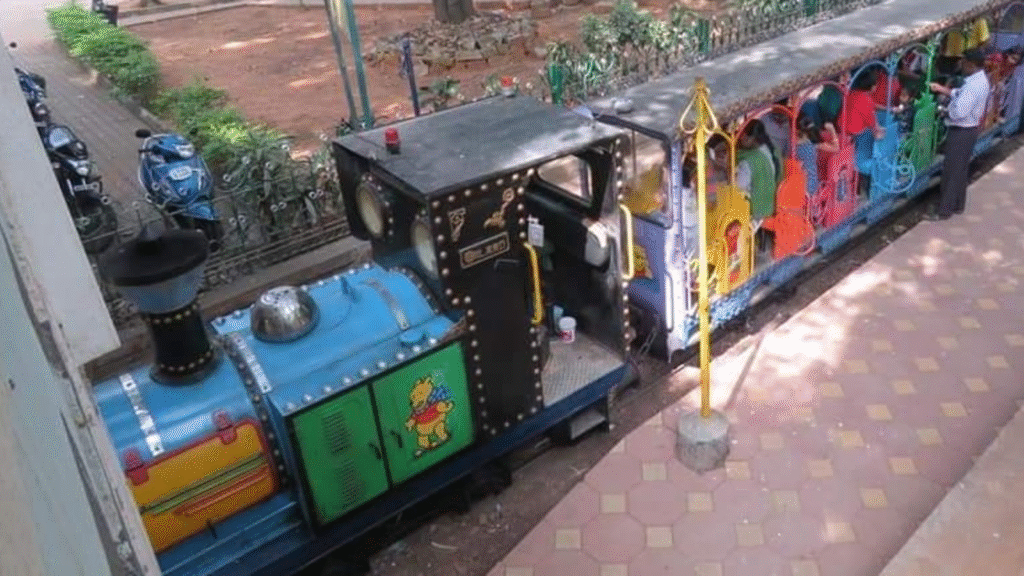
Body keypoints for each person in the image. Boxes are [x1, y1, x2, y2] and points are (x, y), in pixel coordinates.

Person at [928, 48, 991, 220]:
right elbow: (961, 94)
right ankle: (958, 205)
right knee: (961, 170)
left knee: (951, 172)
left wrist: (944, 110)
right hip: (970, 131)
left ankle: (944, 211)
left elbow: (959, 112)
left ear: (970, 65)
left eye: (963, 62)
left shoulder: (972, 87)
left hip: (961, 131)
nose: (960, 65)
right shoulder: (980, 80)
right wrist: (944, 89)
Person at [843, 69, 886, 194]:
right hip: (856, 137)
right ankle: (863, 186)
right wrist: (880, 132)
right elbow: (875, 127)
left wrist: (889, 109)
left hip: (843, 132)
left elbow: (872, 106)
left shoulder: (853, 93)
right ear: (872, 87)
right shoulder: (866, 100)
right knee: (870, 153)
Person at [794, 113, 840, 199]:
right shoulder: (813, 144)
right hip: (810, 184)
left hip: (798, 184)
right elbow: (836, 148)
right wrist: (832, 129)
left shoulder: (793, 141)